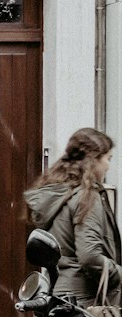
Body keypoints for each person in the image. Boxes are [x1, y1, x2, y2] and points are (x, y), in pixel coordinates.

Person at [25, 127, 120, 306]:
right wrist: (119, 274)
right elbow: (90, 256)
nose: (108, 165)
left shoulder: (59, 194)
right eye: (108, 158)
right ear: (94, 160)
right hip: (86, 304)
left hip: (58, 297)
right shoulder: (87, 197)